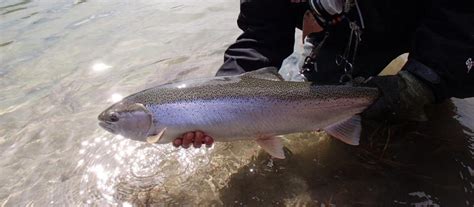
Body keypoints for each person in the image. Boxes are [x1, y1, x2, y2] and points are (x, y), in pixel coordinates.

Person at [173, 0, 474, 149]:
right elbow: (260, 37)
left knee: (430, 98)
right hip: (340, 35)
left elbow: (461, 19)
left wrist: (423, 80)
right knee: (333, 100)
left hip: (417, 14)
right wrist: (218, 95)